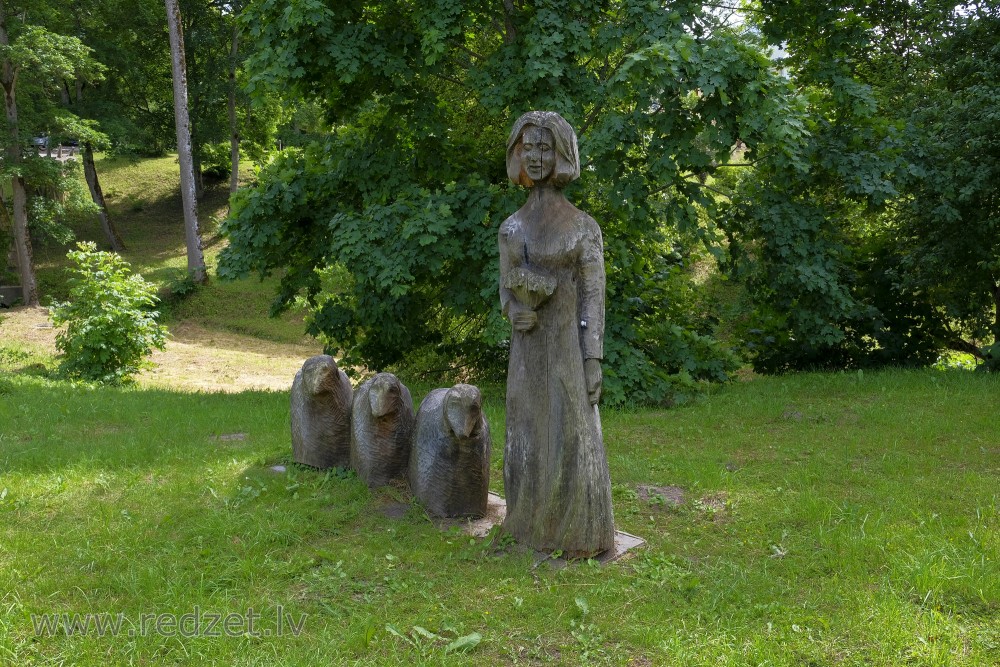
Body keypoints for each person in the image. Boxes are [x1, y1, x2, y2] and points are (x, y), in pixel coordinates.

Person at [498, 111, 615, 558]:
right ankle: (527, 525)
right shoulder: (512, 228)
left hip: (567, 347)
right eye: (528, 147)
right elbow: (505, 289)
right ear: (516, 154)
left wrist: (592, 358)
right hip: (528, 352)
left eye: (544, 147)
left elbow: (593, 295)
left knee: (571, 436)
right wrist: (514, 312)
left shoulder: (584, 227)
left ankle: (578, 535)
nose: (536, 155)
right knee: (526, 433)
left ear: (563, 152)